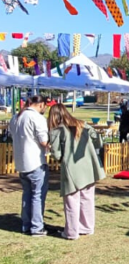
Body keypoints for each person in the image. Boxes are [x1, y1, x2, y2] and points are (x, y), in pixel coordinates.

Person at [48, 104, 105, 240]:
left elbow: (56, 153)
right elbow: (99, 141)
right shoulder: (83, 124)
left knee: (71, 200)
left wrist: (61, 159)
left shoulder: (57, 130)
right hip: (89, 166)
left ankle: (72, 232)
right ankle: (87, 227)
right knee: (87, 198)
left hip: (71, 168)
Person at [9, 95, 49, 236]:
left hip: (21, 162)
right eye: (46, 105)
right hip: (36, 161)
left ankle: (26, 224)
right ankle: (37, 227)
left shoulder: (16, 117)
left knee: (27, 194)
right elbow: (44, 141)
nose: (46, 108)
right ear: (41, 104)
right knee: (37, 195)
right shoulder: (37, 118)